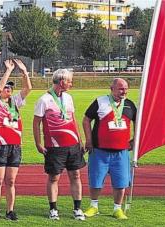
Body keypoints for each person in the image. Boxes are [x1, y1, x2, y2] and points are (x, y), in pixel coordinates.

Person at [33, 69, 86, 221]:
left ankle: (77, 208)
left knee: (75, 175)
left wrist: (80, 140)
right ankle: (53, 209)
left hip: (73, 145)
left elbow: (73, 119)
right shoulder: (44, 100)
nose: (71, 83)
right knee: (54, 178)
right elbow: (36, 123)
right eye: (69, 81)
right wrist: (38, 143)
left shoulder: (68, 98)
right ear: (62, 82)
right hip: (55, 147)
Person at [82, 78, 136, 220]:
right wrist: (88, 140)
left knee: (121, 182)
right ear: (111, 89)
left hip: (122, 152)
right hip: (99, 151)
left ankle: (117, 209)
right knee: (96, 179)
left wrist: (135, 140)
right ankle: (94, 206)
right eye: (120, 89)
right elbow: (86, 119)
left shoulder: (130, 105)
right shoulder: (100, 102)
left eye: (125, 89)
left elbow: (139, 122)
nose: (123, 92)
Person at [0, 59, 32, 221]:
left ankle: (10, 210)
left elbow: (28, 89)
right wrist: (8, 70)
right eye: (7, 87)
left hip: (14, 146)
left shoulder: (16, 102)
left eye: (10, 87)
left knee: (11, 180)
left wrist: (24, 72)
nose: (9, 89)